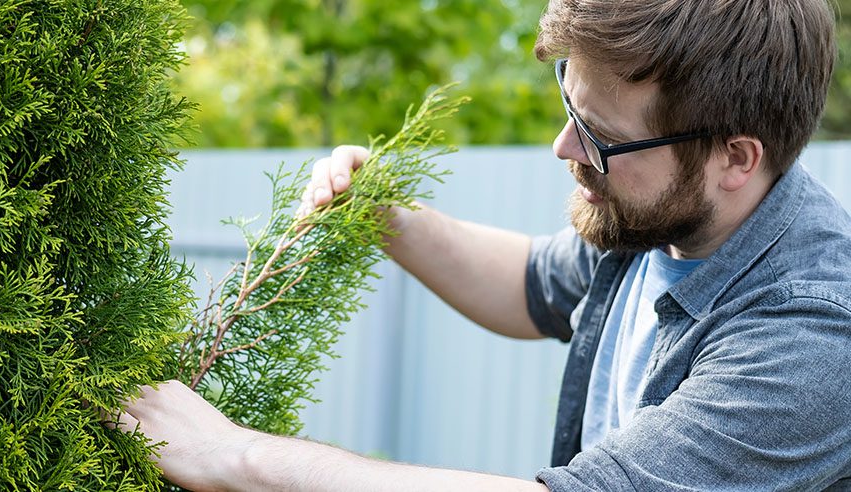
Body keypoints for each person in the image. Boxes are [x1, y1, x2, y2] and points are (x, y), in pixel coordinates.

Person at [111, 0, 851, 489]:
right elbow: (532, 283)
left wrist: (237, 455)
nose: (564, 147)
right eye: (570, 102)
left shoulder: (813, 335)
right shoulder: (663, 221)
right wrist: (387, 218)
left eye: (603, 138)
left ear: (736, 158)